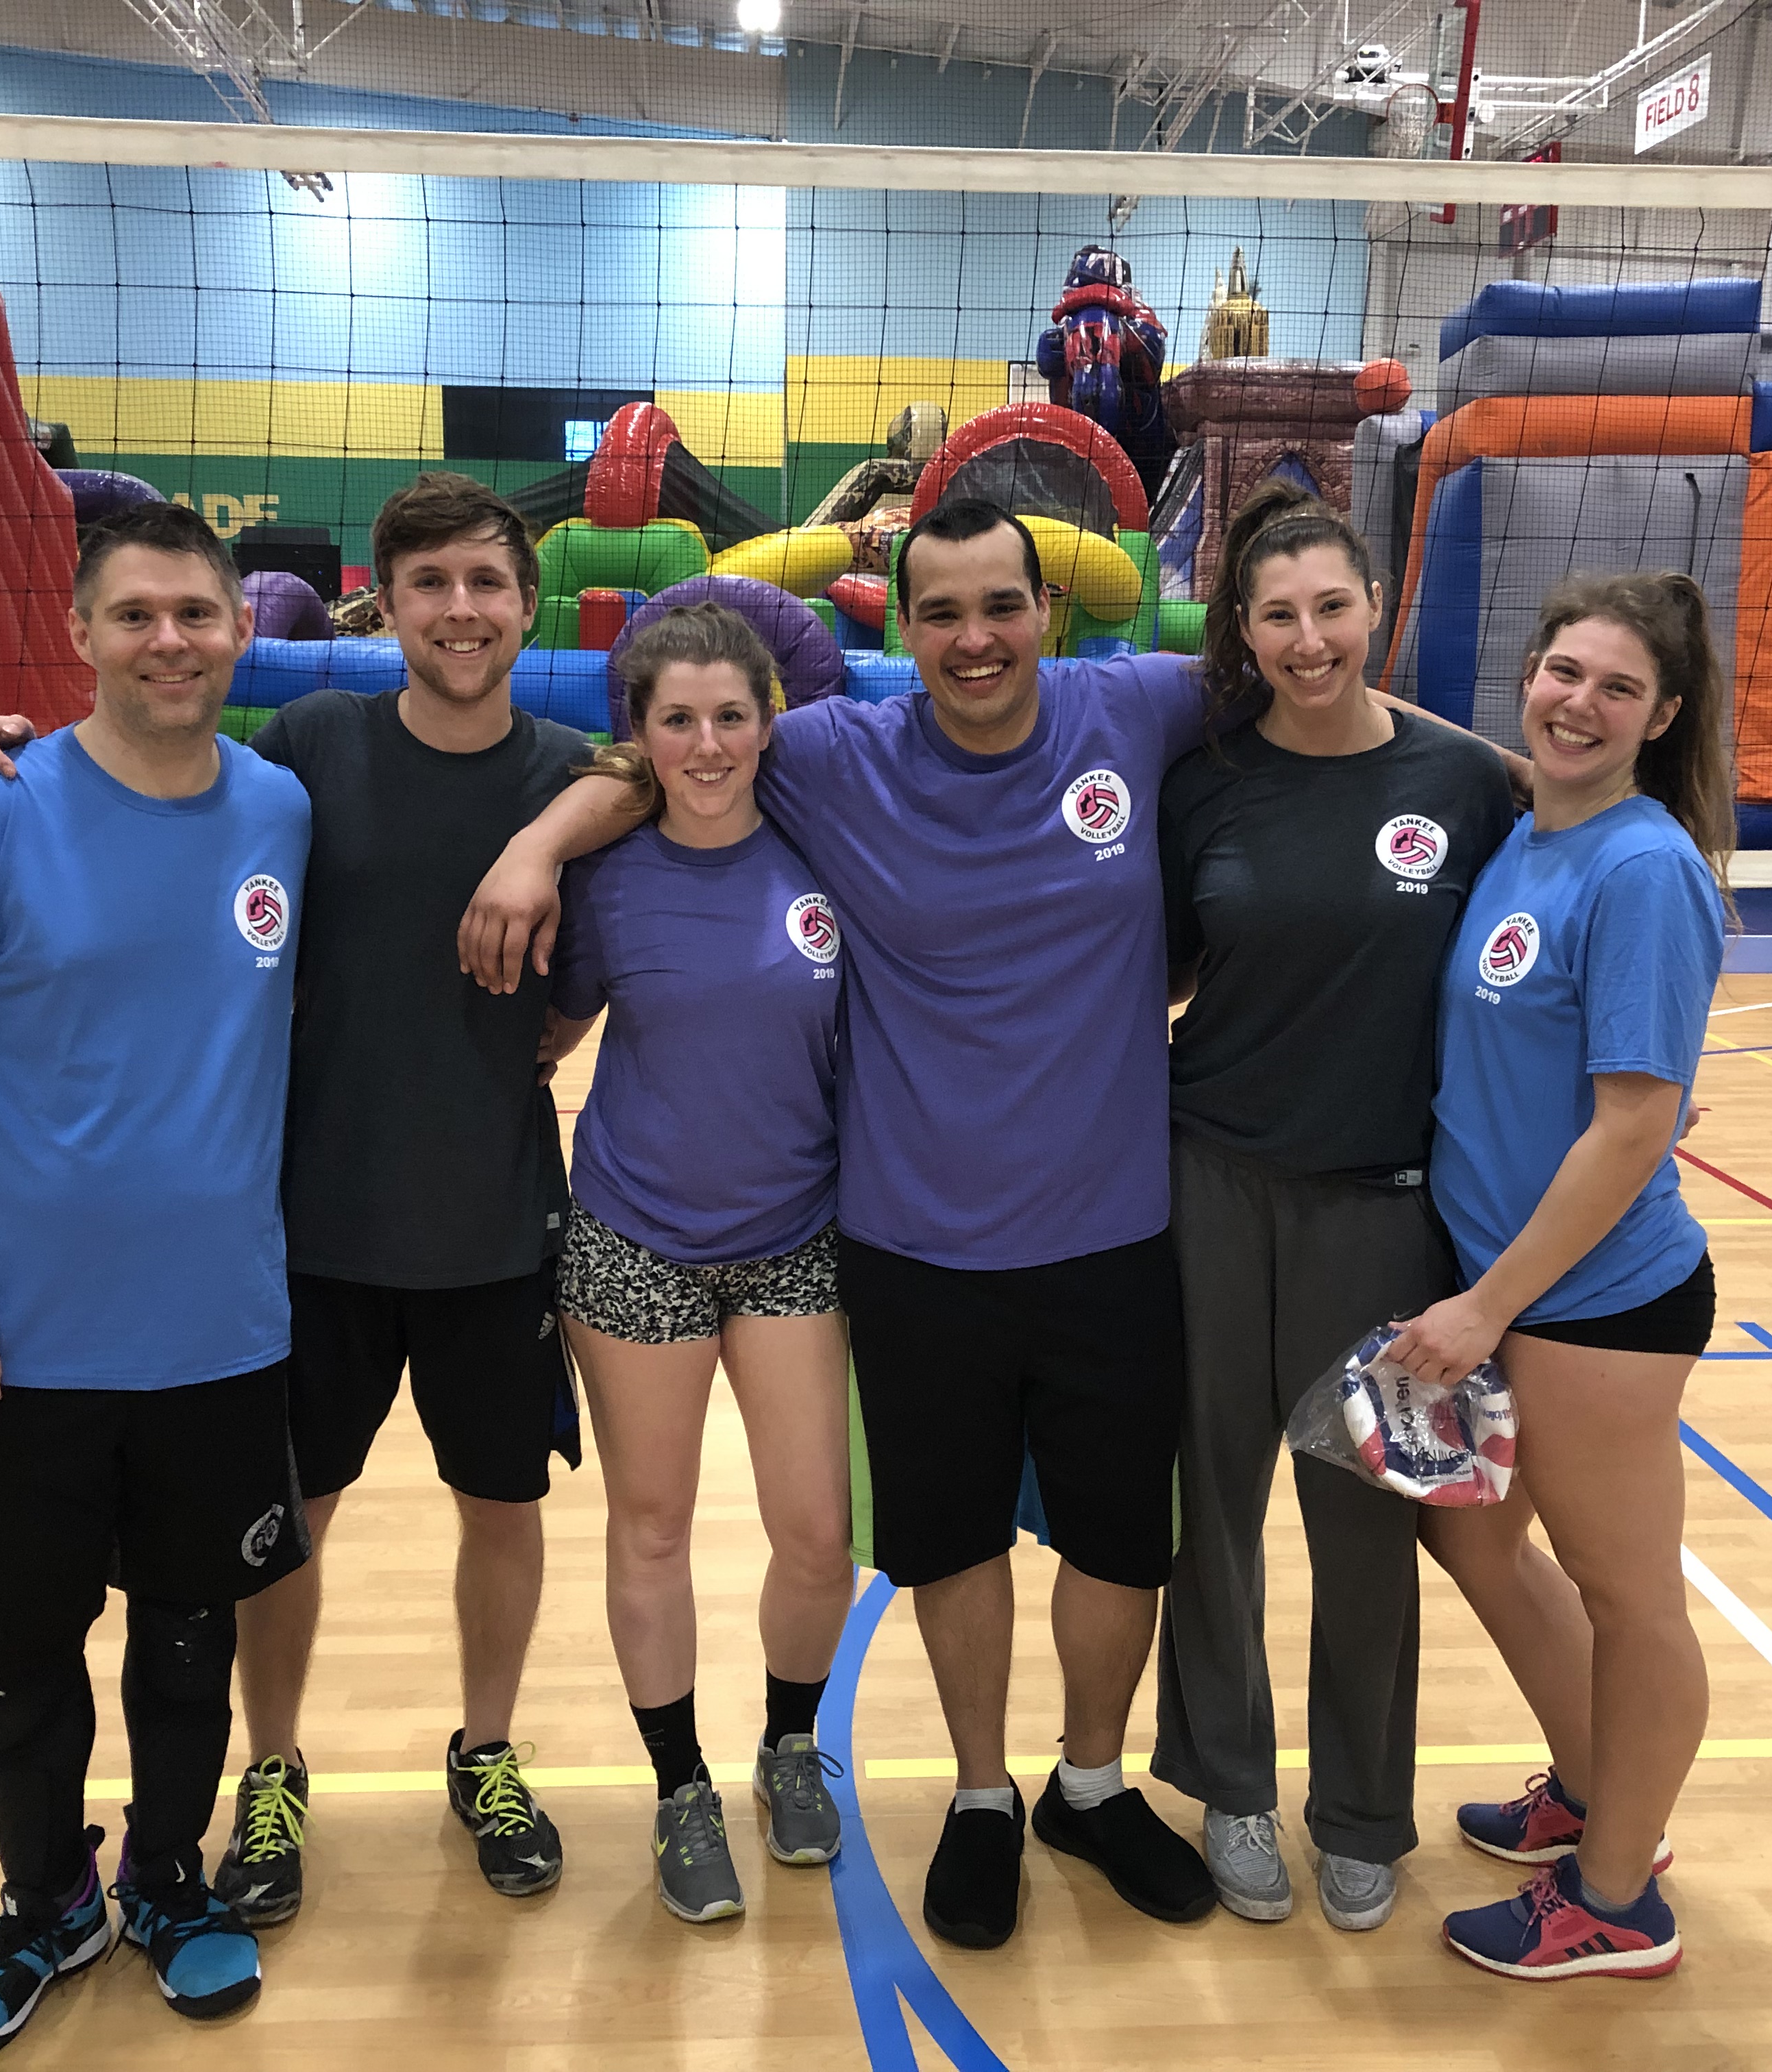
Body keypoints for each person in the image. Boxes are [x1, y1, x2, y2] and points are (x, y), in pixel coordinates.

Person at [461, 497, 1220, 1950]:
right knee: (832, 1534)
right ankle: (890, 1793)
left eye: (999, 606)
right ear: (902, 628)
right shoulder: (809, 772)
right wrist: (537, 847)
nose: (973, 636)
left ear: (1047, 612)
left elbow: (1309, 679)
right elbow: (639, 798)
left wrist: (1534, 776)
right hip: (818, 1242)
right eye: (941, 613)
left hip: (1008, 1232)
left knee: (1002, 1541)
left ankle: (1040, 1777)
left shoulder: (1115, 708)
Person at [0, 473, 586, 1928]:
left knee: (504, 1506)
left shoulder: (568, 774)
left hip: (494, 1226)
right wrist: (3, 742)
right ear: (382, 606)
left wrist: (545, 845)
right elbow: (156, 770)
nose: (460, 610)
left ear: (530, 608)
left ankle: (486, 1750)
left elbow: (661, 778)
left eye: (486, 582)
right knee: (288, 1521)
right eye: (429, 584)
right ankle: (271, 1768)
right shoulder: (311, 751)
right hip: (309, 1236)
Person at [0, 500, 310, 2062]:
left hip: (220, 1332)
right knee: (20, 1657)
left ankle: (169, 1883)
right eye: (135, 616)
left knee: (190, 1639)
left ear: (241, 629)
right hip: (23, 1341)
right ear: (79, 634)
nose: (169, 642)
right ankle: (47, 1903)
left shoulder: (283, 809)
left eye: (195, 614)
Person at [1152, 486, 1516, 1931]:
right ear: (1242, 632)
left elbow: (1543, 948)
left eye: (1332, 609)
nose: (1308, 640)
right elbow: (1156, 973)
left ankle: (1362, 1812)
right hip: (1211, 1181)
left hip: (1384, 1207)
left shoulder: (1467, 783)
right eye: (1278, 616)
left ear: (1377, 610)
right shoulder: (1204, 783)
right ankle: (1230, 1787)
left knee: (1367, 1520)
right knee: (1213, 1505)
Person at [1389, 571, 1735, 1982]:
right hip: (1520, 1291)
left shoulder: (1643, 869)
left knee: (1628, 1594)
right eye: (1563, 673)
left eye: (1618, 688)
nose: (1580, 704)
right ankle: (1597, 1790)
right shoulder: (1536, 826)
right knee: (1471, 1537)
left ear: (1664, 717)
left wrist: (1486, 1309)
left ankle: (1619, 1899)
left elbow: (1637, 1121)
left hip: (1595, 1304)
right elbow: (1468, 745)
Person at [535, 604, 852, 1923]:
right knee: (653, 1526)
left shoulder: (830, 851)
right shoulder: (607, 877)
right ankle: (680, 1790)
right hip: (636, 1240)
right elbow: (547, 1038)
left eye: (732, 716)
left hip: (795, 1240)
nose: (708, 744)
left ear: (770, 723)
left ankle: (789, 1745)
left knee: (817, 1534)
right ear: (642, 735)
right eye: (680, 720)